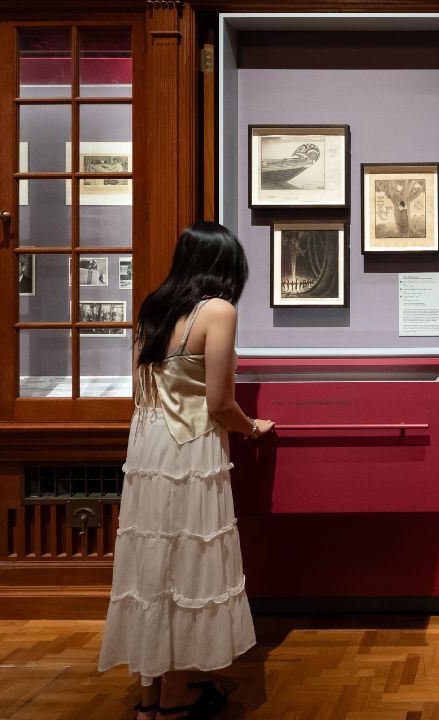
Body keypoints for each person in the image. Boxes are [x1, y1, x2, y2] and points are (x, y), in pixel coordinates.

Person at [98, 221, 274, 720]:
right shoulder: (218, 310)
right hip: (190, 449)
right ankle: (176, 701)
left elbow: (141, 390)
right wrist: (251, 427)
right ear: (224, 267)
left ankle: (150, 694)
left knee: (151, 561)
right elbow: (218, 401)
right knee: (185, 561)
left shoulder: (154, 306)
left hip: (149, 447)